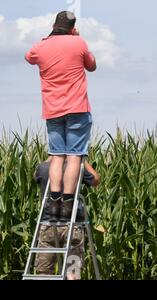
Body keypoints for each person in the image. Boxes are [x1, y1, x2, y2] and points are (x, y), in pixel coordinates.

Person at [25, 11, 97, 223]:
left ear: (55, 24)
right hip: (77, 107)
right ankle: (67, 202)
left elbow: (29, 57)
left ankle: (54, 200)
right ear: (73, 27)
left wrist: (49, 39)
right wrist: (75, 38)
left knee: (56, 155)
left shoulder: (41, 46)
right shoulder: (79, 43)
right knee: (74, 156)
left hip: (52, 109)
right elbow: (91, 66)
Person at [33, 156, 100, 280]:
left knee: (44, 272)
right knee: (73, 272)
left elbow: (35, 176)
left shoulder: (43, 168)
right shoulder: (77, 168)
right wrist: (81, 160)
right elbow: (95, 180)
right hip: (72, 226)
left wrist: (52, 156)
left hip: (48, 224)